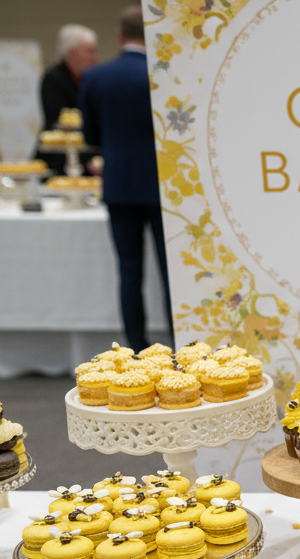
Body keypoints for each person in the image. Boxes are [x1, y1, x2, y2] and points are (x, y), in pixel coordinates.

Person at [80, 6, 172, 352]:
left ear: (119, 35)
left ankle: (136, 346)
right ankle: (181, 345)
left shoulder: (96, 76)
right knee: (169, 272)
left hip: (118, 183)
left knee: (129, 271)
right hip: (163, 185)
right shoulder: (163, 74)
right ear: (151, 34)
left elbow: (91, 134)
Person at [35, 24, 98, 174]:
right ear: (71, 52)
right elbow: (56, 118)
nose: (95, 57)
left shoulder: (92, 79)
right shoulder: (54, 79)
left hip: (88, 156)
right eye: (89, 51)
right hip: (59, 159)